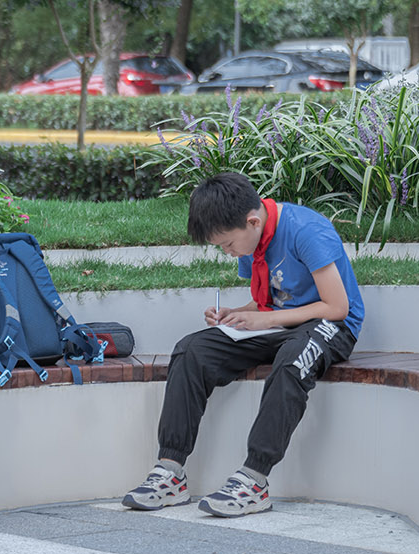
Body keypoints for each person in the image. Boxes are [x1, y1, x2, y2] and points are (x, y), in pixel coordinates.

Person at [123, 170, 364, 517]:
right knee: (192, 350)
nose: (227, 252)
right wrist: (236, 315)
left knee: (294, 360)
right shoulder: (251, 238)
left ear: (252, 221)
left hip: (330, 326)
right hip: (280, 324)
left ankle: (254, 480)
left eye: (228, 244)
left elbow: (337, 307)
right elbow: (272, 300)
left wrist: (264, 319)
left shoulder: (306, 231)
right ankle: (170, 472)